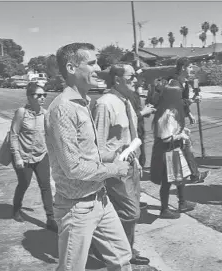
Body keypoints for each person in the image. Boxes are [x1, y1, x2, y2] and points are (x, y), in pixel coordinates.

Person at [44, 42, 133, 271]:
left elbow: (87, 153)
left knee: (122, 258)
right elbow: (73, 167)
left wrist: (111, 154)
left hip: (100, 199)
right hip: (77, 208)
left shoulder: (83, 103)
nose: (98, 68)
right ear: (72, 68)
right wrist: (116, 170)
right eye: (91, 63)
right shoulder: (63, 108)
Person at [92, 64, 152, 266]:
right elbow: (97, 146)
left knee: (128, 213)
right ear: (117, 79)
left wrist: (136, 160)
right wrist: (114, 160)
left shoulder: (126, 101)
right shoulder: (105, 104)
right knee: (131, 212)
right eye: (132, 76)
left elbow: (131, 135)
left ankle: (126, 251)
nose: (136, 80)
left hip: (131, 165)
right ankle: (112, 249)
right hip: (116, 169)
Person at [149, 80, 205, 219]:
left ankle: (182, 203)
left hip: (172, 150)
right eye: (179, 96)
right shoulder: (167, 114)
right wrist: (181, 135)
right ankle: (164, 210)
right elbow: (166, 138)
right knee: (167, 182)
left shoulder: (171, 111)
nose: (181, 99)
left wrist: (181, 130)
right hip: (167, 152)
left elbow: (171, 130)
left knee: (179, 178)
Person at [9, 82, 57, 232]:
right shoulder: (21, 113)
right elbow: (14, 135)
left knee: (46, 186)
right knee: (24, 184)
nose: (42, 98)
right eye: (38, 95)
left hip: (41, 155)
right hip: (23, 156)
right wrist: (17, 157)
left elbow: (51, 135)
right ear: (30, 97)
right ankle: (16, 209)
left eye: (44, 95)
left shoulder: (46, 114)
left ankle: (51, 218)